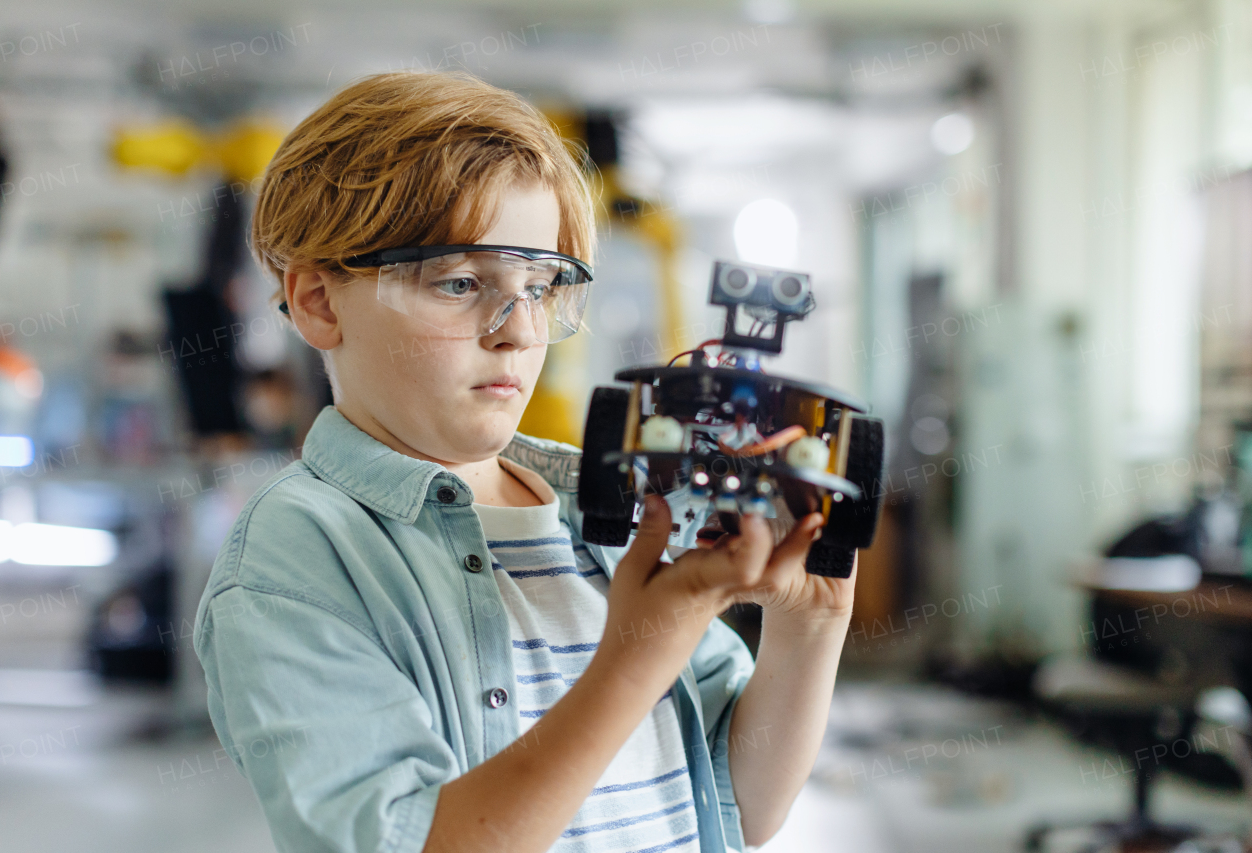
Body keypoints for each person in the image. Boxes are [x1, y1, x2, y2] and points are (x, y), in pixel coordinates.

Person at [192, 70, 856, 853]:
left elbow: (739, 804)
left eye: (540, 285)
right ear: (318, 302)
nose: (517, 331)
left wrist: (811, 624)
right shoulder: (297, 557)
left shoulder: (603, 505)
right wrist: (637, 657)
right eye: (461, 281)